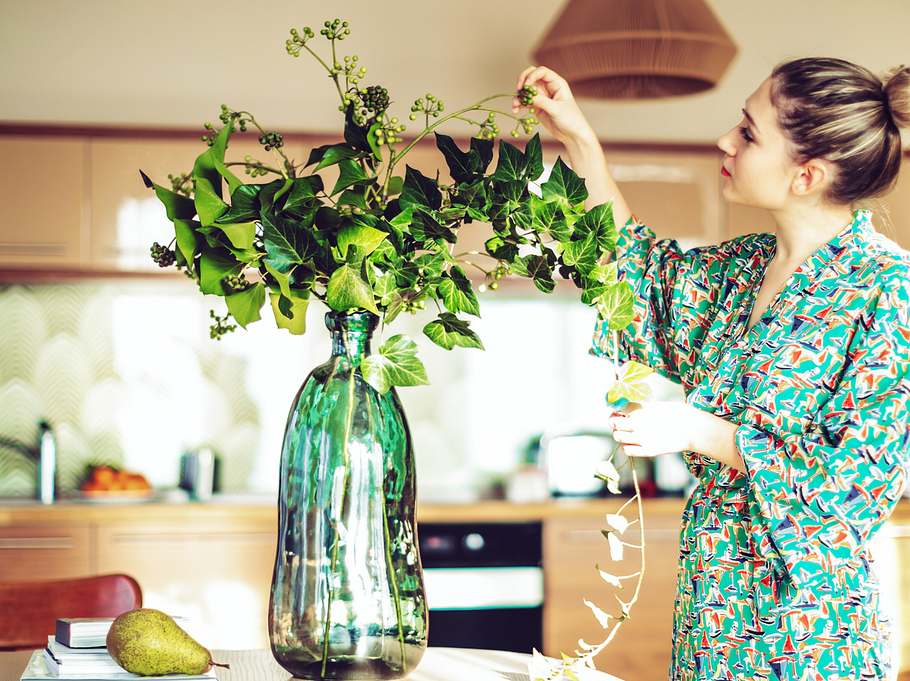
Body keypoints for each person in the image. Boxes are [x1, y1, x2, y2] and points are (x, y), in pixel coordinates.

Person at [513, 58, 910, 680]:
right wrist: (579, 139)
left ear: (805, 174)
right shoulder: (743, 267)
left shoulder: (889, 290)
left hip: (810, 634)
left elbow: (853, 490)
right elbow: (638, 269)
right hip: (710, 609)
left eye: (749, 133)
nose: (726, 140)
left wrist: (699, 432)